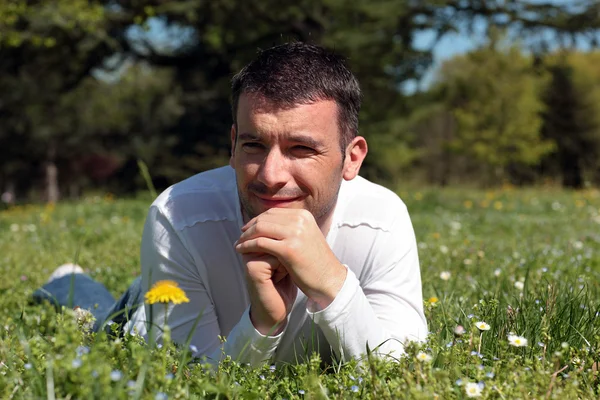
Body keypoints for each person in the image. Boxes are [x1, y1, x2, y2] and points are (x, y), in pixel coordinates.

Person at [34, 42, 427, 367]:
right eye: (254, 145)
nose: (271, 174)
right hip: (165, 301)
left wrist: (333, 285)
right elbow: (189, 377)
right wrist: (262, 324)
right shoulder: (178, 217)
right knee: (101, 321)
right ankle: (70, 282)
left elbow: (403, 370)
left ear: (352, 157)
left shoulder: (382, 221)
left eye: (302, 149)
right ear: (233, 145)